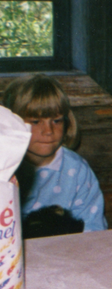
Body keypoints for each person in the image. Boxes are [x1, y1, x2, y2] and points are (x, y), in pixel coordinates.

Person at [3, 74, 105, 237]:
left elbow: (92, 226)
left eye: (56, 120)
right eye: (36, 122)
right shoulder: (5, 168)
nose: (48, 131)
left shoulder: (77, 170)